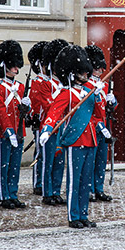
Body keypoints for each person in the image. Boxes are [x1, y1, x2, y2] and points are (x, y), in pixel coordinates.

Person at [41, 45, 96, 228]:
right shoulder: (67, 93)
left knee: (86, 181)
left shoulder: (90, 92)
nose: (85, 76)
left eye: (85, 72)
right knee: (75, 180)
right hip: (75, 140)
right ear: (73, 73)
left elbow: (97, 115)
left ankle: (83, 213)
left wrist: (103, 96)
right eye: (81, 73)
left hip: (91, 140)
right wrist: (47, 129)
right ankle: (74, 216)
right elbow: (54, 112)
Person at [0, 40, 30, 209]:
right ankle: (4, 195)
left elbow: (24, 112)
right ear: (5, 65)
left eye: (16, 65)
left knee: (15, 166)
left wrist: (27, 106)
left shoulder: (21, 87)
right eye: (12, 65)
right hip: (5, 133)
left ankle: (13, 193)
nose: (16, 68)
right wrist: (8, 131)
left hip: (19, 132)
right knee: (4, 165)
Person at [85, 45, 116, 202]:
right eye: (96, 67)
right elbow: (89, 111)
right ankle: (90, 189)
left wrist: (112, 102)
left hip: (104, 127)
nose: (99, 70)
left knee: (101, 160)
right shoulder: (87, 85)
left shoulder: (103, 84)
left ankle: (99, 188)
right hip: (93, 127)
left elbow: (107, 107)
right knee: (91, 160)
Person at [40, 39, 69, 205]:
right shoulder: (46, 84)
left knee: (59, 162)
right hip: (50, 129)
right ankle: (47, 192)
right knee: (48, 162)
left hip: (62, 128)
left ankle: (56, 191)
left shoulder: (65, 85)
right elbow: (48, 105)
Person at [26, 40, 49, 196]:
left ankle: (47, 182)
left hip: (51, 121)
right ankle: (38, 182)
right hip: (40, 121)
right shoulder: (36, 82)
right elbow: (35, 102)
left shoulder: (53, 81)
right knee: (40, 154)